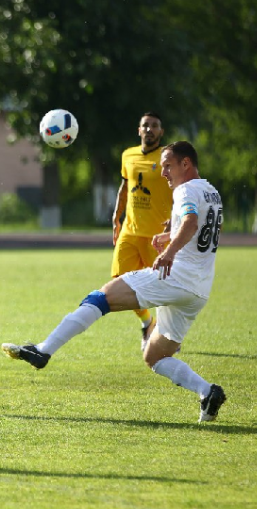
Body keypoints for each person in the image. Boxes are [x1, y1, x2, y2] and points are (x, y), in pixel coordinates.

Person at [2, 141, 226, 423]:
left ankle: (43, 351)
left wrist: (168, 253)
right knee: (155, 357)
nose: (164, 173)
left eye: (168, 166)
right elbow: (205, 231)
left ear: (185, 164)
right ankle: (208, 392)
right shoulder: (212, 192)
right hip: (199, 289)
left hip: (176, 276)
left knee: (101, 297)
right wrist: (169, 237)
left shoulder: (185, 189)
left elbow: (191, 221)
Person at [112, 112, 173, 351]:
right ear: (139, 130)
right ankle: (147, 322)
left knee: (163, 288)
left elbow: (180, 189)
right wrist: (116, 218)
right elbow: (125, 187)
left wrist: (176, 220)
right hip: (130, 231)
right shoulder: (128, 155)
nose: (149, 129)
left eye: (155, 126)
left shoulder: (169, 157)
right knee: (120, 282)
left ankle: (167, 335)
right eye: (145, 125)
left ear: (161, 132)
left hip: (157, 235)